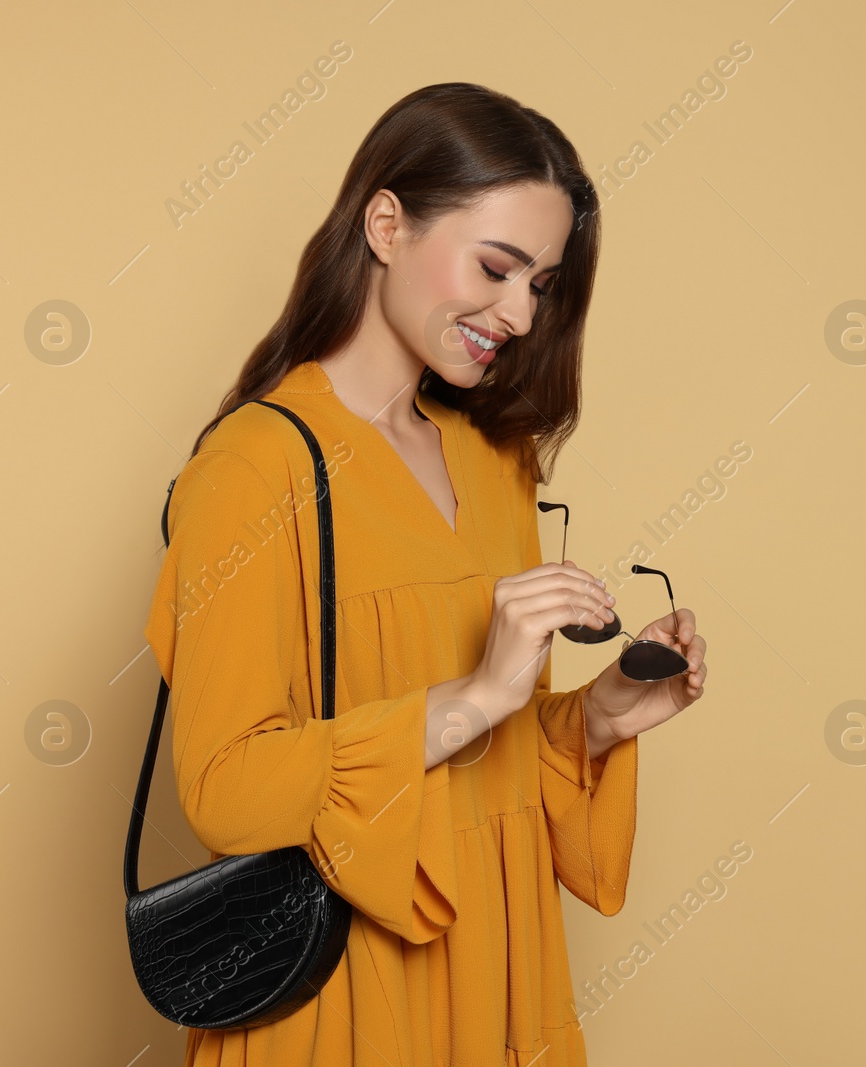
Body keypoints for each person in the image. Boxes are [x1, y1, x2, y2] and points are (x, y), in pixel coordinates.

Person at [142, 82, 708, 1066]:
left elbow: (486, 760)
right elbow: (227, 790)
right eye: (496, 265)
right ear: (386, 221)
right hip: (345, 994)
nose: (520, 312)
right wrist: (480, 689)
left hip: (501, 972)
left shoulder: (497, 464)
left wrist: (597, 717)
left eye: (541, 283)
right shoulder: (256, 467)